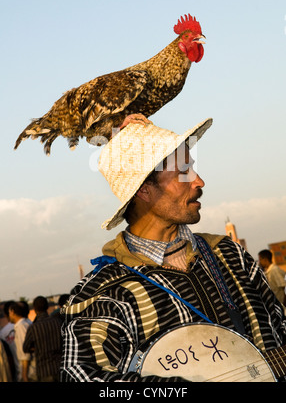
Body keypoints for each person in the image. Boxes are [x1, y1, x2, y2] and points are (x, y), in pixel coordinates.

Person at [60, 119, 286, 382]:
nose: (199, 181)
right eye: (184, 172)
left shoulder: (230, 254)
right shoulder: (102, 294)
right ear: (144, 189)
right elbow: (81, 377)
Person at [23, 296, 62, 382]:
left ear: (35, 309)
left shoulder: (33, 327)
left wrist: (37, 347)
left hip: (44, 371)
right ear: (47, 307)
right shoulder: (57, 322)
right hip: (60, 368)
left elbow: (25, 348)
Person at [8, 302, 35, 382]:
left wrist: (24, 375)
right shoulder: (26, 323)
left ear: (13, 312)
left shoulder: (21, 326)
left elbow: (25, 352)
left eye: (9, 313)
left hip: (29, 372)